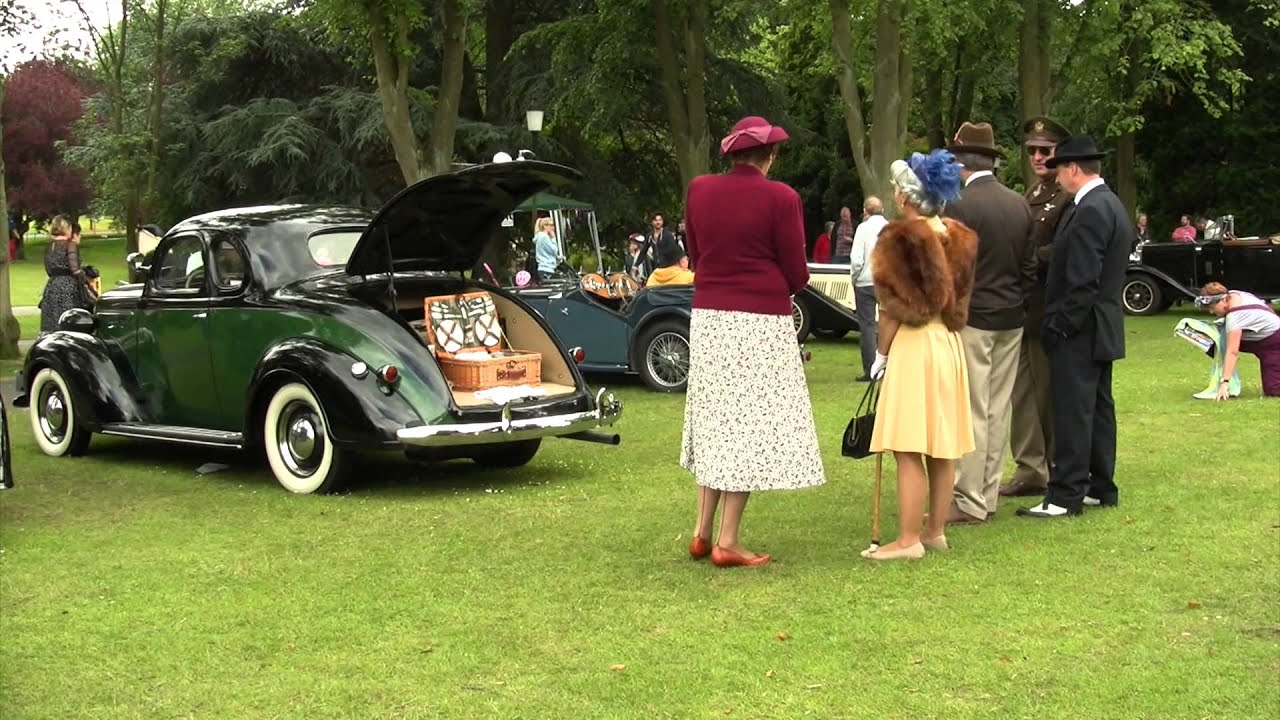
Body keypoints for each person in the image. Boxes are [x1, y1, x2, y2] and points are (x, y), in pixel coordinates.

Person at [681, 115, 824, 568]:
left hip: (708, 315)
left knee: (715, 418)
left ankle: (702, 532)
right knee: (746, 425)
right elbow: (797, 273)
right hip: (759, 317)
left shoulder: (700, 189)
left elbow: (697, 254)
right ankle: (727, 540)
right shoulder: (782, 197)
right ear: (770, 156)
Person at [861, 149, 978, 561]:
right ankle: (934, 530)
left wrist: (880, 353)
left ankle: (908, 539)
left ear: (908, 197)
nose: (894, 194)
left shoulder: (901, 237)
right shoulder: (956, 235)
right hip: (947, 342)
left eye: (898, 189)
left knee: (909, 444)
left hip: (915, 343)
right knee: (940, 443)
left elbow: (891, 308)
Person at [1018, 135, 1132, 519]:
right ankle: (1100, 486)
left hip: (1081, 328)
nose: (1056, 175)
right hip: (1102, 324)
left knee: (1072, 409)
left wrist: (1061, 326)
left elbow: (1083, 279)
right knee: (1098, 407)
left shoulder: (1090, 210)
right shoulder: (1110, 204)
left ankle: (1065, 494)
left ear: (1072, 169)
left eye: (1059, 167)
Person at [943, 121, 1035, 524]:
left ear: (962, 162)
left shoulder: (960, 206)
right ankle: (988, 494)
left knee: (974, 408)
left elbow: (952, 269)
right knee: (999, 409)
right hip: (1012, 316)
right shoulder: (1019, 203)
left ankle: (969, 499)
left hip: (975, 317)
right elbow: (1029, 266)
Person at [1002, 115, 1073, 499]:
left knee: (1047, 392)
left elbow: (1060, 250)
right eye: (1032, 151)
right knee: (1023, 395)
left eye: (1046, 151)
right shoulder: (1031, 194)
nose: (1038, 157)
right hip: (1023, 307)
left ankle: (1055, 464)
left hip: (1047, 304)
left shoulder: (1066, 197)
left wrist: (1022, 261)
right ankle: (1030, 468)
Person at [1196, 282, 1280, 398]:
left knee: (1274, 390)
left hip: (1273, 342)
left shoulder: (1235, 317)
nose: (1211, 312)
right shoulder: (1234, 294)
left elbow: (1232, 351)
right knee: (1217, 341)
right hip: (1259, 335)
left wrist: (1224, 383)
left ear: (1223, 300)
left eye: (1212, 307)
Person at [848, 197, 888, 380]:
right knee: (889, 321)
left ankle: (870, 370)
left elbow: (857, 260)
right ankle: (887, 365)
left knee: (867, 326)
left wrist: (854, 278)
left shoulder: (862, 229)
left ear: (865, 211)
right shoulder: (890, 227)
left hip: (865, 281)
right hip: (885, 282)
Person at [39, 215, 90, 335]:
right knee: (69, 322)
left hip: (52, 286)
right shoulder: (70, 245)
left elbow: (49, 269)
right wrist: (85, 277)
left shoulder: (49, 247)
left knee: (52, 324)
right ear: (66, 228)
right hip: (68, 287)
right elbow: (75, 270)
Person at [532, 217, 558, 283]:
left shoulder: (540, 236)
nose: (553, 227)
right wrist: (553, 238)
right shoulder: (544, 237)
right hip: (547, 268)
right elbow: (554, 250)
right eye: (551, 225)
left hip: (543, 268)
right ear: (545, 226)